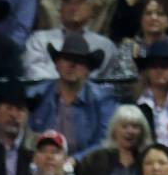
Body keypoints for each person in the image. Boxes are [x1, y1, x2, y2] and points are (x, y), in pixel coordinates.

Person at [27, 34, 116, 162]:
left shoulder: (102, 99)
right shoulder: (37, 95)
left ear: (88, 69)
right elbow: (28, 134)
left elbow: (104, 141)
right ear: (57, 65)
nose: (72, 65)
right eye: (67, 59)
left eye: (79, 61)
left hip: (86, 168)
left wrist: (76, 160)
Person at [22, 0, 116, 81]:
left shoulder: (105, 45)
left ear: (90, 9)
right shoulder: (39, 39)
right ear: (61, 8)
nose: (74, 7)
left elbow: (111, 82)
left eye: (80, 2)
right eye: (69, 2)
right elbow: (33, 72)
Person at [76, 104, 152, 175]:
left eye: (135, 127)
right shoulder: (94, 160)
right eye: (124, 126)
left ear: (142, 132)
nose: (130, 131)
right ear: (114, 129)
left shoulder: (149, 160)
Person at [104, 0, 168, 83]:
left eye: (160, 14)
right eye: (148, 13)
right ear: (141, 19)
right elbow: (123, 80)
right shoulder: (129, 46)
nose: (154, 18)